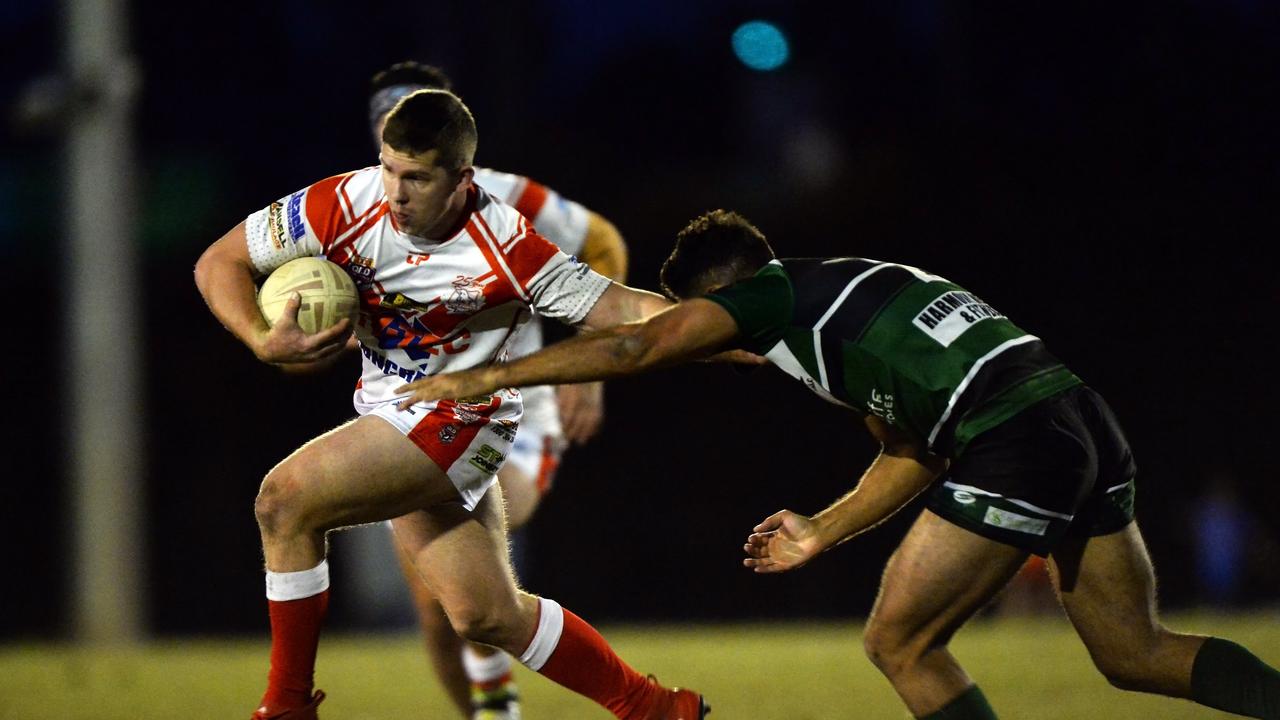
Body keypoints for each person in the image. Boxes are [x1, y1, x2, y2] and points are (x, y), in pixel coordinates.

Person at [393, 209, 1280, 720]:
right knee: (1134, 653)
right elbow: (913, 454)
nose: (708, 343)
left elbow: (636, 351)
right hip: (1079, 419)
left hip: (1017, 436)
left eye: (707, 320)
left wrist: (482, 374)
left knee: (900, 642)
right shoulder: (843, 313)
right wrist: (821, 529)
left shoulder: (773, 295)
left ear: (726, 294)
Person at [193, 88, 707, 720]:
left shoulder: (507, 246)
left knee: (283, 501)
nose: (395, 192)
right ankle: (654, 706)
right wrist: (261, 339)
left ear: (462, 178)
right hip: (392, 413)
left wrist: (722, 326)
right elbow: (219, 261)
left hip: (466, 420)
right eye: (388, 169)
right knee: (485, 613)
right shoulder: (340, 205)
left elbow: (622, 308)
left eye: (416, 177)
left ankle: (288, 706)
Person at [365, 61, 628, 719]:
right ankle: (491, 711)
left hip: (512, 416)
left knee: (466, 569)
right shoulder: (351, 210)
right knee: (437, 606)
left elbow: (601, 242)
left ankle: (544, 696)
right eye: (389, 120)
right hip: (407, 421)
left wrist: (590, 364)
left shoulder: (508, 197)